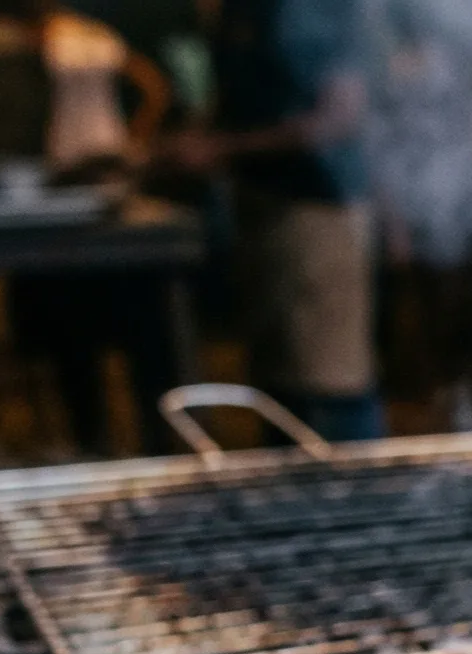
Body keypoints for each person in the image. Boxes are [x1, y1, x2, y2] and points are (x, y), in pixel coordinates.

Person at [164, 0, 382, 443]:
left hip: (320, 211)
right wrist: (195, 138)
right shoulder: (235, 12)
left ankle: (363, 495)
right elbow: (237, 97)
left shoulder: (319, 10)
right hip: (257, 206)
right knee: (277, 388)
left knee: (329, 384)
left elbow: (341, 116)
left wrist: (222, 148)